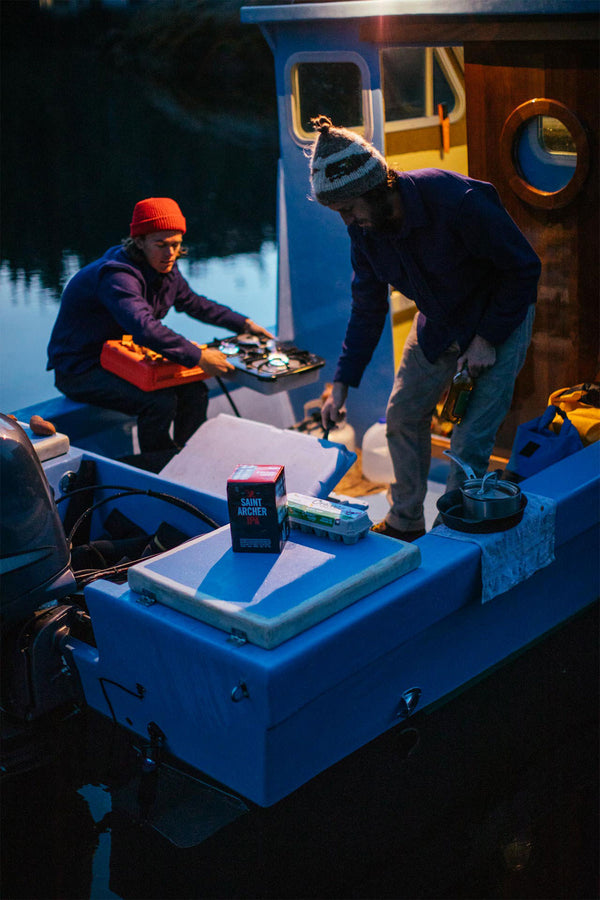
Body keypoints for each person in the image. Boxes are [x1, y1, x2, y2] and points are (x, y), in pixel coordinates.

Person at [311, 116, 541, 541]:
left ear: (374, 189)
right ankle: (406, 521)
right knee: (401, 417)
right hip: (437, 323)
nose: (346, 222)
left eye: (347, 209)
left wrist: (487, 340)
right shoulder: (366, 230)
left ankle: (448, 538)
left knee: (467, 443)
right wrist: (342, 381)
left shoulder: (457, 200)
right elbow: (367, 306)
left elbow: (524, 270)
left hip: (498, 320)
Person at [47, 197, 273, 455]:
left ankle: (191, 456)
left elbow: (194, 303)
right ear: (140, 242)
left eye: (176, 244)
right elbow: (144, 328)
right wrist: (199, 356)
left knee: (195, 390)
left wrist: (244, 324)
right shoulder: (117, 276)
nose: (170, 254)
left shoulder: (166, 268)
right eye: (161, 244)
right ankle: (160, 470)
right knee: (158, 402)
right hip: (81, 369)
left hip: (120, 359)